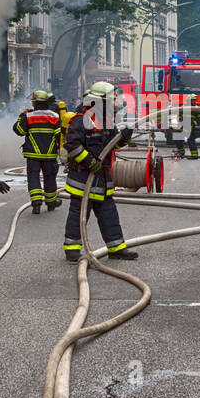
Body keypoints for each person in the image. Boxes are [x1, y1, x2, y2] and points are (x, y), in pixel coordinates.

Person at [63, 81, 138, 263]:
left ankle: (117, 248)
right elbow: (72, 145)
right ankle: (72, 249)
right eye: (111, 100)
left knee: (109, 215)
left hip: (102, 180)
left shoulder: (105, 120)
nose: (114, 104)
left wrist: (124, 137)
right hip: (84, 179)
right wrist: (89, 161)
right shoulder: (81, 119)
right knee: (78, 216)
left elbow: (113, 144)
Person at [13, 89, 62, 213]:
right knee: (50, 178)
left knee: (33, 177)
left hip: (33, 155)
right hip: (49, 154)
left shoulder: (28, 116)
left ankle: (36, 203)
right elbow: (59, 136)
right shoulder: (54, 116)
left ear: (34, 103)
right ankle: (51, 203)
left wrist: (21, 116)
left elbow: (19, 130)